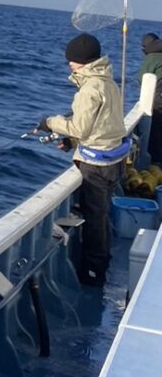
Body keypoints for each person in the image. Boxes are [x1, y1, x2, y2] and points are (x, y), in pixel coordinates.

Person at [38, 32, 128, 287]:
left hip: (96, 167)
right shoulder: (108, 82)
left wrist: (49, 123)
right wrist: (72, 142)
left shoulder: (89, 89)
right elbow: (103, 125)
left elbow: (79, 127)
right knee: (102, 214)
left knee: (95, 219)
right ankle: (101, 262)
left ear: (82, 61)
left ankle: (94, 271)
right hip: (115, 160)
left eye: (72, 59)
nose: (69, 63)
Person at [136, 31, 162, 165]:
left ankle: (155, 163)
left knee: (154, 137)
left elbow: (142, 78)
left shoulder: (151, 58)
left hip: (156, 105)